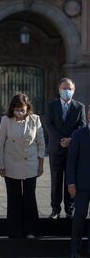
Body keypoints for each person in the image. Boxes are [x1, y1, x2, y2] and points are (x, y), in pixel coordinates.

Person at [0, 94, 45, 239]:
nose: (20, 113)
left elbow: (41, 143)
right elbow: (0, 144)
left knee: (30, 197)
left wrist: (41, 164)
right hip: (11, 164)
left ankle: (31, 230)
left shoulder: (35, 119)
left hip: (30, 164)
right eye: (17, 110)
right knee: (14, 198)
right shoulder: (6, 120)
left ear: (27, 108)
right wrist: (1, 165)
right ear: (12, 109)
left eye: (22, 110)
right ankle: (14, 231)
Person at [45, 78, 86, 220]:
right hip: (56, 149)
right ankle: (55, 209)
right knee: (56, 180)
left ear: (74, 90)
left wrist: (71, 139)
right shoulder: (52, 106)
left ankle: (70, 209)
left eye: (69, 88)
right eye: (64, 88)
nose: (67, 91)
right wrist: (60, 140)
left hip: (73, 149)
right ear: (59, 90)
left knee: (71, 179)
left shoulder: (79, 107)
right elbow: (48, 124)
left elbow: (82, 126)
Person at [67, 107, 90, 258]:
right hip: (82, 185)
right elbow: (71, 161)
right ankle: (75, 250)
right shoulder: (79, 134)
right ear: (88, 115)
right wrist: (71, 183)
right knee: (79, 218)